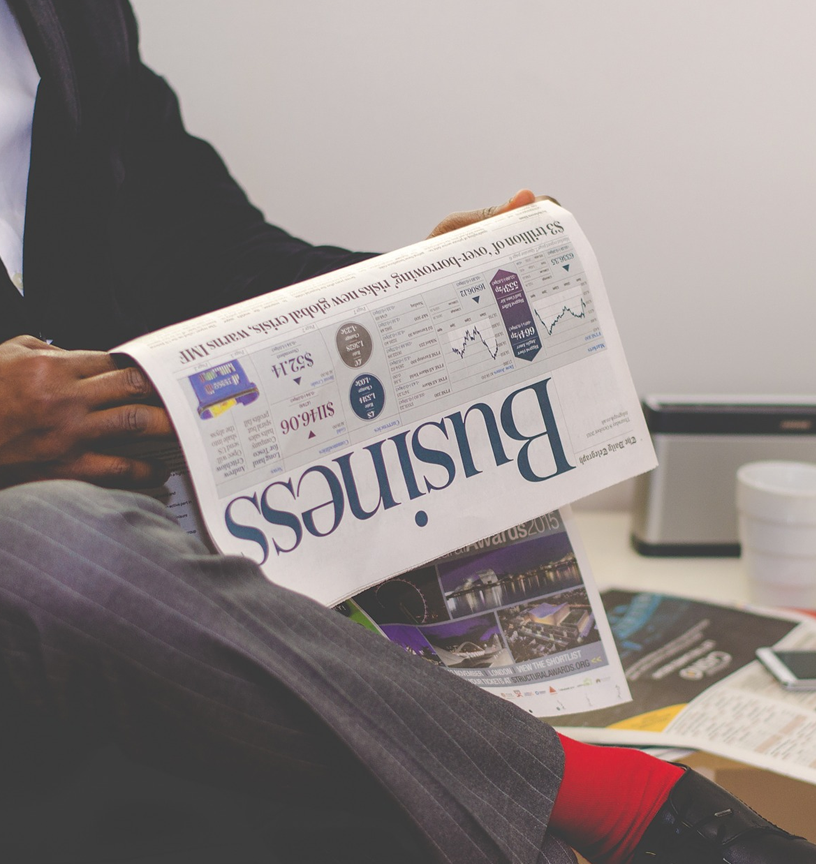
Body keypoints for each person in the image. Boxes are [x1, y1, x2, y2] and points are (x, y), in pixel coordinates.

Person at [0, 2, 814, 862]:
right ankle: (645, 812)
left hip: (166, 592)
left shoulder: (70, 13)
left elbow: (203, 251)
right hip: (61, 582)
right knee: (50, 543)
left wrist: (410, 293)